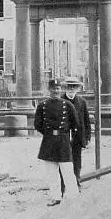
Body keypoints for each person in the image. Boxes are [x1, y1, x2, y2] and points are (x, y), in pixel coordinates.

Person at [34, 78, 81, 206]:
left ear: (61, 90)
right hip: (49, 141)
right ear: (49, 90)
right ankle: (56, 197)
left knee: (67, 170)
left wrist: (67, 136)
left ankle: (73, 196)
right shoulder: (42, 106)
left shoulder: (68, 105)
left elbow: (75, 123)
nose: (56, 91)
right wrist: (49, 133)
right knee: (52, 172)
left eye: (58, 88)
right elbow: (37, 124)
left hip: (63, 141)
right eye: (53, 88)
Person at [63, 76, 92, 189]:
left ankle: (76, 181)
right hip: (64, 137)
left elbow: (86, 121)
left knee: (77, 160)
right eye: (69, 87)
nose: (71, 89)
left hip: (77, 137)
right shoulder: (60, 101)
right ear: (65, 88)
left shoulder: (81, 102)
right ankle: (64, 184)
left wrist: (87, 137)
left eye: (73, 87)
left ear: (77, 89)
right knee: (64, 161)